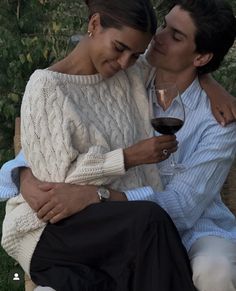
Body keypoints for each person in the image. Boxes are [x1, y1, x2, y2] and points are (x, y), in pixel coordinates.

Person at [0, 0, 236, 290]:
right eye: (164, 26)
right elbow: (48, 149)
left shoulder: (216, 119)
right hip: (111, 226)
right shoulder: (127, 74)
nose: (158, 40)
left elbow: (183, 209)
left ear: (200, 58)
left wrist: (98, 195)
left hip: (184, 226)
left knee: (214, 270)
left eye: (175, 36)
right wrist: (21, 173)